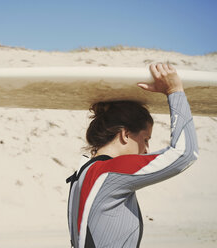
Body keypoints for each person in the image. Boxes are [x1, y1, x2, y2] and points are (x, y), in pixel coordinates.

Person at [66, 63, 199, 248]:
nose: (146, 149)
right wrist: (174, 91)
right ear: (125, 134)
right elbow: (185, 153)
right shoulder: (108, 172)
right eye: (145, 139)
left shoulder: (83, 172)